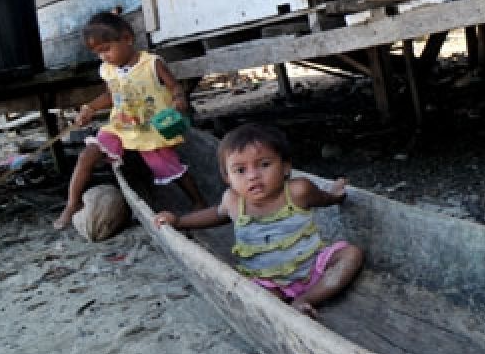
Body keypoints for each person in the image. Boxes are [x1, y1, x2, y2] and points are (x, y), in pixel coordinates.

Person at [154, 122, 364, 318]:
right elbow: (215, 215)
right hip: (267, 282)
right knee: (256, 298)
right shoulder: (234, 201)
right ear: (227, 177)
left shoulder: (298, 191)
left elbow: (323, 198)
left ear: (285, 167)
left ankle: (306, 299)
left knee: (351, 254)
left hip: (313, 268)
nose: (253, 176)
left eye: (264, 164)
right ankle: (287, 306)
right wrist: (179, 222)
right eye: (240, 170)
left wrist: (336, 195)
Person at [55, 12, 206, 229]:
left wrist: (179, 98)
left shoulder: (151, 64)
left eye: (106, 49)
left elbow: (174, 86)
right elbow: (110, 95)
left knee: (168, 167)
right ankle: (72, 203)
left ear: (127, 39)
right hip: (121, 125)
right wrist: (89, 108)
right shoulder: (108, 70)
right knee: (88, 153)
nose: (103, 57)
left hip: (151, 127)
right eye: (98, 53)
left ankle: (198, 201)